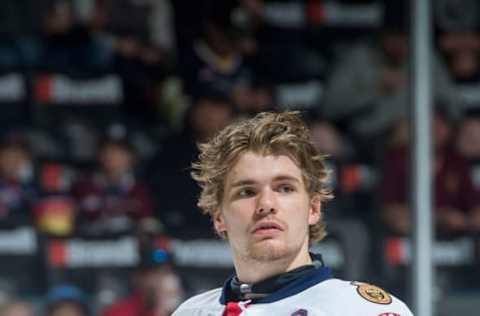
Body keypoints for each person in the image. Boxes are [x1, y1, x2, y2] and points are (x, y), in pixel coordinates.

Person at [172, 111, 412, 315]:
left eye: (285, 188)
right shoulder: (189, 312)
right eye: (247, 192)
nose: (266, 203)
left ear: (314, 208)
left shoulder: (361, 310)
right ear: (218, 217)